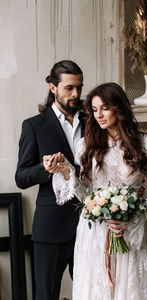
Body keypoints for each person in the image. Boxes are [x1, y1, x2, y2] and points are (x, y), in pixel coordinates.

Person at [52, 82, 147, 300]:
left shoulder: (145, 144)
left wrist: (131, 220)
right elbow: (86, 194)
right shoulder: (86, 146)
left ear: (119, 108)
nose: (98, 115)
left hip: (131, 231)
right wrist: (67, 171)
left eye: (104, 108)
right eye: (94, 110)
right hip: (95, 233)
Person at [15, 60, 84, 300]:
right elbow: (21, 177)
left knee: (91, 293)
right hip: (50, 228)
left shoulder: (93, 123)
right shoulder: (33, 126)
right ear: (52, 87)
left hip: (90, 226)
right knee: (46, 296)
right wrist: (45, 169)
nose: (76, 94)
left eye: (79, 87)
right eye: (69, 88)